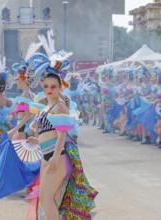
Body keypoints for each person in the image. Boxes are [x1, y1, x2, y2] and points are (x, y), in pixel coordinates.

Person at [28, 54, 98, 219]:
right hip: (48, 155)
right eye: (46, 87)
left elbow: (62, 134)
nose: (49, 90)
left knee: (46, 199)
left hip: (57, 157)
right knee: (47, 199)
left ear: (60, 87)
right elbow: (50, 133)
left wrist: (54, 157)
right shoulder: (49, 104)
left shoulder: (59, 106)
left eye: (53, 87)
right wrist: (37, 140)